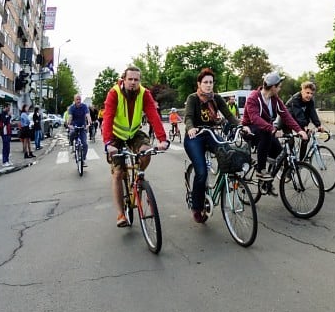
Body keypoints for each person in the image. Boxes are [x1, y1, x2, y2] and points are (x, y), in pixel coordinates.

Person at [101, 66, 169, 227]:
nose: (133, 82)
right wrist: (108, 143)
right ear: (124, 79)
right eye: (130, 79)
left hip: (133, 133)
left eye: (136, 80)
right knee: (118, 173)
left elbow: (153, 115)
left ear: (140, 81)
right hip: (115, 136)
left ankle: (138, 180)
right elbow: (108, 118)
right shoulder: (114, 93)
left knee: (146, 152)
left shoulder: (144, 94)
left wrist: (163, 139)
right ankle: (121, 214)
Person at [183, 68, 240, 223]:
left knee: (229, 154)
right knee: (201, 172)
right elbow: (188, 117)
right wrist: (190, 128)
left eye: (211, 82)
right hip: (194, 137)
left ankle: (227, 182)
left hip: (210, 135)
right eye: (205, 82)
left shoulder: (217, 98)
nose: (208, 85)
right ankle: (196, 206)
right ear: (199, 84)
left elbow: (228, 115)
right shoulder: (193, 98)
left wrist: (241, 125)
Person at [242, 72, 306, 182]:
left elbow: (286, 115)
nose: (280, 88)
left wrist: (299, 130)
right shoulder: (253, 97)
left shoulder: (275, 99)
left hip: (266, 130)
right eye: (279, 86)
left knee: (280, 154)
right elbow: (255, 118)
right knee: (266, 134)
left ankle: (268, 183)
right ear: (273, 87)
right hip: (250, 129)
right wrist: (272, 129)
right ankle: (260, 170)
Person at [285, 81, 324, 158]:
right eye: (307, 93)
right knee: (291, 142)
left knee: (306, 137)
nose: (309, 95)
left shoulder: (310, 101)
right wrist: (304, 126)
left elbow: (313, 113)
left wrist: (318, 125)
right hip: (286, 120)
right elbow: (299, 114)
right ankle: (285, 163)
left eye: (311, 94)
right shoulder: (295, 99)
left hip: (297, 120)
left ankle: (301, 162)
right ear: (302, 91)